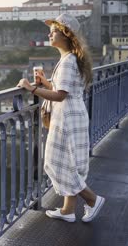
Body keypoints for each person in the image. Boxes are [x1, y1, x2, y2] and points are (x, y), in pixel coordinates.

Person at [17, 13, 105, 223]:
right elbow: (62, 89)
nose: (50, 33)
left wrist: (31, 88)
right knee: (67, 163)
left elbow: (60, 95)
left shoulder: (67, 62)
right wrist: (46, 84)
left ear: (65, 34)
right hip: (73, 115)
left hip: (66, 118)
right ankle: (68, 210)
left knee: (55, 163)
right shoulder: (70, 59)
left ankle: (92, 199)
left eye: (54, 30)